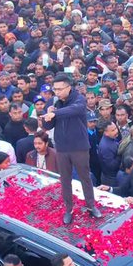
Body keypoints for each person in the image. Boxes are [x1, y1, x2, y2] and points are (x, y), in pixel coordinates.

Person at [44, 73, 104, 225]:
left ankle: (91, 205)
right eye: (54, 89)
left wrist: (54, 113)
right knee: (65, 179)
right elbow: (48, 125)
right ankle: (68, 209)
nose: (56, 92)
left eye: (59, 89)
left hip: (79, 146)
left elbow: (74, 110)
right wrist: (48, 115)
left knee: (85, 176)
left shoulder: (79, 99)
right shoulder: (54, 103)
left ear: (68, 87)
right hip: (62, 147)